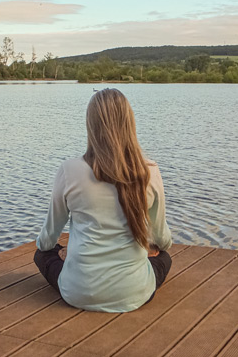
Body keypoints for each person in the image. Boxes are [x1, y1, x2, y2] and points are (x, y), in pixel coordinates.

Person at [34, 88, 172, 312]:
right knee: (164, 257)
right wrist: (153, 247)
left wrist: (60, 251)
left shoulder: (69, 170)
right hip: (134, 292)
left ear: (91, 125)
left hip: (78, 292)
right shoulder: (149, 171)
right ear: (129, 123)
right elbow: (161, 238)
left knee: (42, 253)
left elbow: (47, 239)